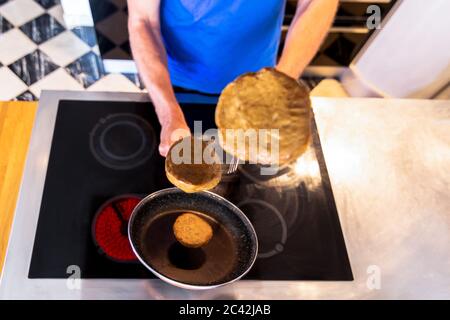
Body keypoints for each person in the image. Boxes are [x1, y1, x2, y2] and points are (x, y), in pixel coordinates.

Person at [127, 0, 338, 156]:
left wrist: (279, 85)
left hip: (260, 82)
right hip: (175, 82)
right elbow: (143, 20)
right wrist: (168, 114)